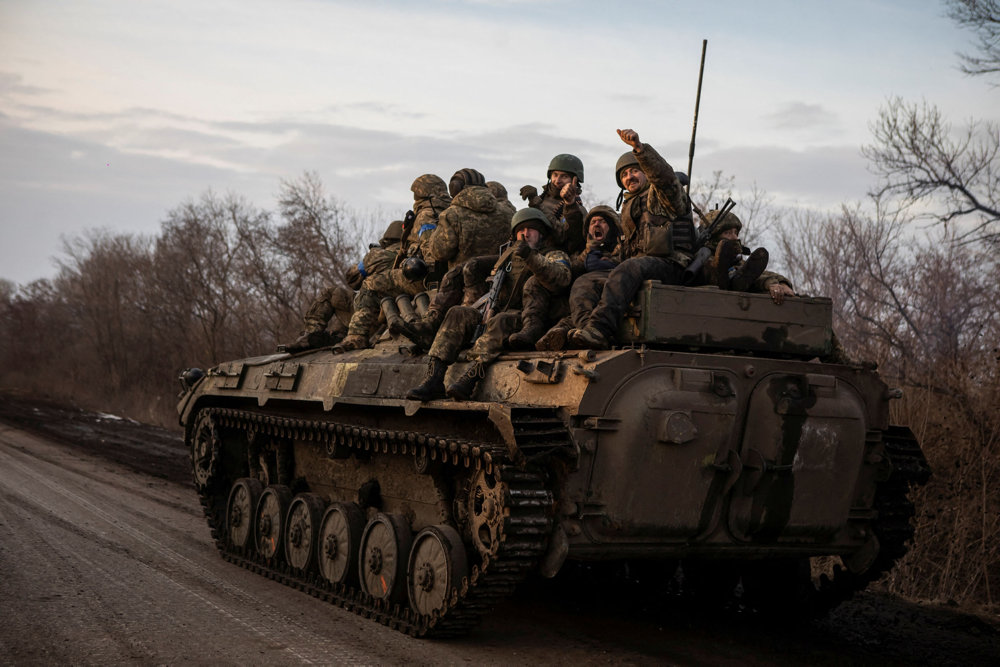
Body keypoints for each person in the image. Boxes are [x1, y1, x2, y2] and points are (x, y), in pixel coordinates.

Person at [406, 208, 571, 402]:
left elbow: (561, 278)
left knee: (501, 320)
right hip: (497, 311)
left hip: (530, 319)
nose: (525, 234)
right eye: (521, 230)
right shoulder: (506, 256)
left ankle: (472, 377)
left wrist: (530, 257)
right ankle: (434, 377)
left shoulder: (554, 254)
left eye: (531, 230)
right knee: (458, 313)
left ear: (541, 233)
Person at [568, 129, 695, 350]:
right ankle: (589, 332)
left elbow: (664, 178)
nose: (629, 177)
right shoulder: (629, 207)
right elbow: (626, 250)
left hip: (672, 264)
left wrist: (639, 149)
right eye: (624, 175)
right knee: (585, 282)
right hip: (638, 266)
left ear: (645, 172)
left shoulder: (662, 195)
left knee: (629, 268)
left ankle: (601, 329)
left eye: (635, 171)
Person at [281, 220, 403, 352]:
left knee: (332, 293)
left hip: (366, 318)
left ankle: (310, 335)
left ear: (387, 238)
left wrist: (368, 261)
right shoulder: (412, 256)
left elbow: (351, 279)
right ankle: (339, 336)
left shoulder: (378, 255)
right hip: (392, 320)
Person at [535, 205, 621, 351]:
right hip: (588, 302)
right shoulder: (587, 250)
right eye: (593, 222)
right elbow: (572, 270)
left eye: (602, 221)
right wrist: (589, 251)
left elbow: (597, 267)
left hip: (612, 294)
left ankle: (589, 332)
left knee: (582, 285)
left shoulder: (620, 248)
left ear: (612, 227)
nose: (597, 225)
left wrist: (594, 253)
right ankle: (559, 332)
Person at [519, 154, 587, 255]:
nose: (557, 180)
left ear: (574, 180)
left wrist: (536, 203)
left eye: (564, 176)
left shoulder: (577, 209)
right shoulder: (542, 198)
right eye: (555, 175)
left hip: (554, 258)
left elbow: (562, 237)